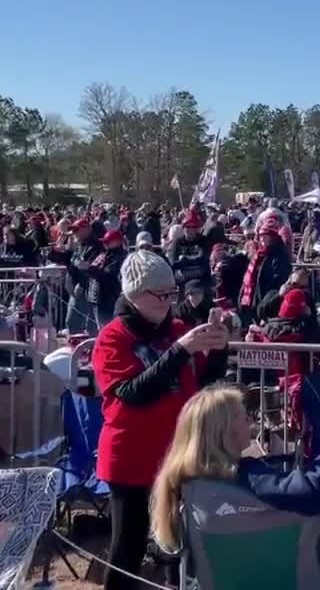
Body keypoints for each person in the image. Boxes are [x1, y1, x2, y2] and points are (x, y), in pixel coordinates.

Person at [92, 250, 232, 590]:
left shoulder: (177, 330)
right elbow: (133, 393)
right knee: (128, 547)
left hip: (177, 453)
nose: (170, 302)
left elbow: (201, 383)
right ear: (136, 294)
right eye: (162, 295)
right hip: (131, 459)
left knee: (177, 546)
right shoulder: (113, 337)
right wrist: (181, 350)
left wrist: (219, 346)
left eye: (173, 293)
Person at [148, 385, 320, 556]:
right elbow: (306, 494)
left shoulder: (184, 481)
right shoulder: (243, 478)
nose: (250, 420)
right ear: (225, 431)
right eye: (243, 416)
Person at [239, 218, 293, 324]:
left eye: (266, 236)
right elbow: (248, 278)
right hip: (251, 302)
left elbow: (277, 281)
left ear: (274, 237)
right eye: (261, 236)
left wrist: (266, 305)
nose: (263, 239)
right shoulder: (258, 255)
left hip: (266, 304)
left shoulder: (279, 256)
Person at [88, 230, 129, 328]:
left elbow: (109, 274)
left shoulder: (121, 256)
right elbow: (93, 267)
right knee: (98, 327)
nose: (105, 244)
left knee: (106, 327)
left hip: (108, 298)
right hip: (96, 296)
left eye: (108, 241)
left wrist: (92, 270)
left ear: (118, 242)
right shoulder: (104, 254)